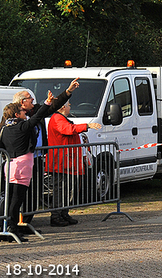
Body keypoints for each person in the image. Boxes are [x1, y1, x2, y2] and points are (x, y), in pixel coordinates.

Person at [12, 79, 80, 229]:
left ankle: (27, 222)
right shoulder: (15, 115)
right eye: (30, 98)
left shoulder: (35, 110)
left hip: (36, 158)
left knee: (34, 192)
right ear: (22, 102)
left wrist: (68, 91)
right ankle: (15, 223)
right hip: (21, 159)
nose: (33, 100)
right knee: (19, 193)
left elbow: (53, 106)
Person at [0, 91, 54, 242]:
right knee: (17, 199)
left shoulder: (4, 128)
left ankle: (8, 227)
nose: (26, 113)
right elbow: (37, 117)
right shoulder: (22, 127)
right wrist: (47, 103)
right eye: (23, 111)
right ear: (17, 114)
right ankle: (12, 228)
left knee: (10, 198)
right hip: (22, 166)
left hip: (9, 165)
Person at [46, 101, 102, 226]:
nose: (70, 106)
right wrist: (87, 126)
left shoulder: (61, 118)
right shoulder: (57, 119)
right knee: (60, 189)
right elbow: (68, 130)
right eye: (69, 104)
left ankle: (63, 214)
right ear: (62, 107)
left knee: (67, 189)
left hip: (67, 160)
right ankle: (56, 216)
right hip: (61, 161)